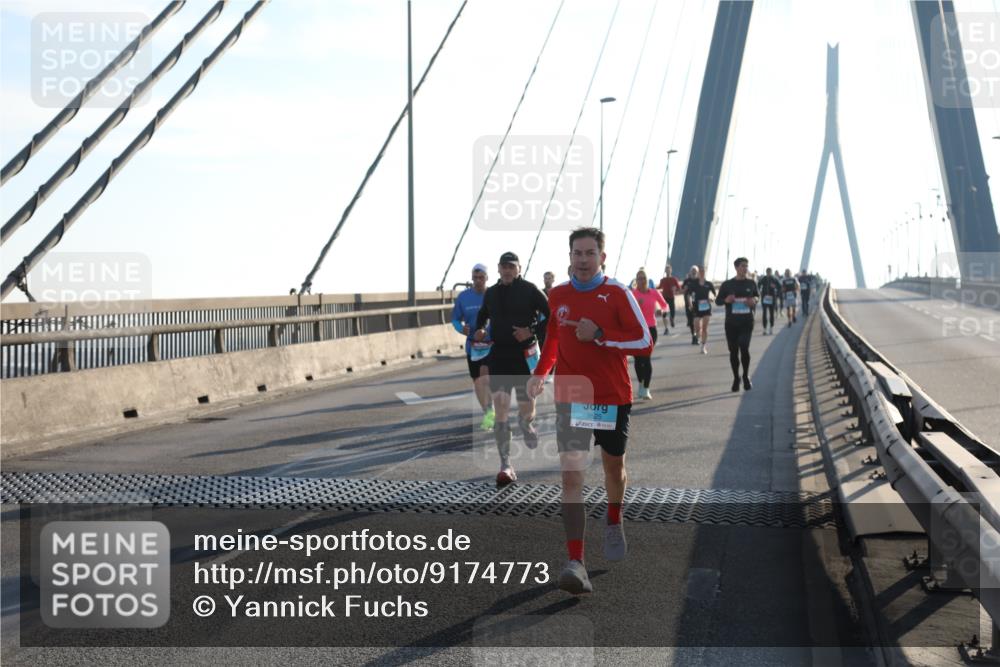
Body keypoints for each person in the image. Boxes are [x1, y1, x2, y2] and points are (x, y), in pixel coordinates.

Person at [526, 227, 651, 595]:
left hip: (611, 397)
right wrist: (539, 375)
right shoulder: (557, 295)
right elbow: (552, 339)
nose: (583, 259)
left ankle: (614, 518)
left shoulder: (617, 293)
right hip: (571, 396)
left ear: (603, 257)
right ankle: (575, 562)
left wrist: (600, 335)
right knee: (570, 477)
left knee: (614, 468)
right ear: (570, 256)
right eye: (577, 253)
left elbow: (644, 342)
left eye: (590, 253)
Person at [473, 252, 550, 487]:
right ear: (498, 269)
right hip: (500, 357)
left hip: (524, 357)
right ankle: (505, 464)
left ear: (519, 268)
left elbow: (551, 315)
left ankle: (526, 423)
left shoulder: (530, 290)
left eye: (511, 267)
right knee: (501, 409)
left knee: (527, 410)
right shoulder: (492, 293)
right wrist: (480, 331)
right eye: (503, 266)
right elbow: (482, 317)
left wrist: (532, 331)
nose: (507, 270)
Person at [451, 264, 494, 431]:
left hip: (491, 345)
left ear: (487, 278)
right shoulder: (464, 297)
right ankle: (488, 412)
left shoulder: (493, 295)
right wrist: (461, 328)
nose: (477, 281)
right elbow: (455, 319)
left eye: (481, 278)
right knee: (477, 382)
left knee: (485, 377)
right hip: (473, 347)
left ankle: (492, 410)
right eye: (475, 278)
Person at [717, 257, 760, 392]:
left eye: (746, 266)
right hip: (731, 323)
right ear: (736, 268)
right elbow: (718, 301)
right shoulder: (727, 285)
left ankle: (746, 376)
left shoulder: (751, 283)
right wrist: (726, 300)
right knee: (733, 352)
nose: (745, 268)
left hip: (747, 321)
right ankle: (736, 378)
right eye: (742, 266)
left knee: (744, 346)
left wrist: (754, 300)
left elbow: (757, 296)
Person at [630, 267, 668, 400]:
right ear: (636, 281)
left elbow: (665, 305)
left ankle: (646, 388)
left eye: (644, 278)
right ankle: (640, 383)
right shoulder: (632, 294)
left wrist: (662, 312)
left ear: (647, 280)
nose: (642, 281)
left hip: (651, 329)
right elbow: (626, 311)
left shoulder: (653, 292)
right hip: (636, 330)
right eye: (639, 278)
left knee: (646, 358)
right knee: (637, 359)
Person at [683, 265, 716, 354]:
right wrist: (689, 304)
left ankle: (703, 346)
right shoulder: (694, 284)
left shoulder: (709, 284)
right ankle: (698, 333)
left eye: (703, 271)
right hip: (696, 308)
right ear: (698, 273)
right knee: (697, 328)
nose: (702, 273)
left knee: (705, 328)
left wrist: (711, 298)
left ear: (705, 272)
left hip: (706, 308)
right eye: (700, 271)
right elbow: (688, 295)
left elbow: (714, 294)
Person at [656, 265, 682, 335]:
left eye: (669, 269)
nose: (667, 271)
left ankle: (672, 319)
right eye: (666, 270)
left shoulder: (674, 279)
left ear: (671, 270)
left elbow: (679, 288)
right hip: (664, 298)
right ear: (665, 271)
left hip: (671, 298)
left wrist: (675, 290)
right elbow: (659, 287)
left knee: (673, 312)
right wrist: (652, 288)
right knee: (664, 314)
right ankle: (666, 328)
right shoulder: (663, 280)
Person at [757, 267, 781, 335]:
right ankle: (764, 329)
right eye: (767, 272)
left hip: (772, 298)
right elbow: (758, 284)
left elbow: (779, 286)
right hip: (764, 298)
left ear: (771, 272)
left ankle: (771, 328)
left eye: (769, 272)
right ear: (766, 272)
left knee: (771, 314)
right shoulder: (763, 279)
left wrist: (777, 293)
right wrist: (759, 291)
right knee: (764, 313)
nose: (768, 273)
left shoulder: (774, 279)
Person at [680, 266, 700, 345]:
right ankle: (693, 336)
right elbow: (681, 290)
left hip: (698, 304)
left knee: (697, 321)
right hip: (688, 304)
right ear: (690, 272)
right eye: (692, 270)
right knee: (691, 322)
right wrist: (684, 289)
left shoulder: (699, 281)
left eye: (695, 270)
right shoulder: (686, 281)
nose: (694, 271)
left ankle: (697, 336)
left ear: (697, 272)